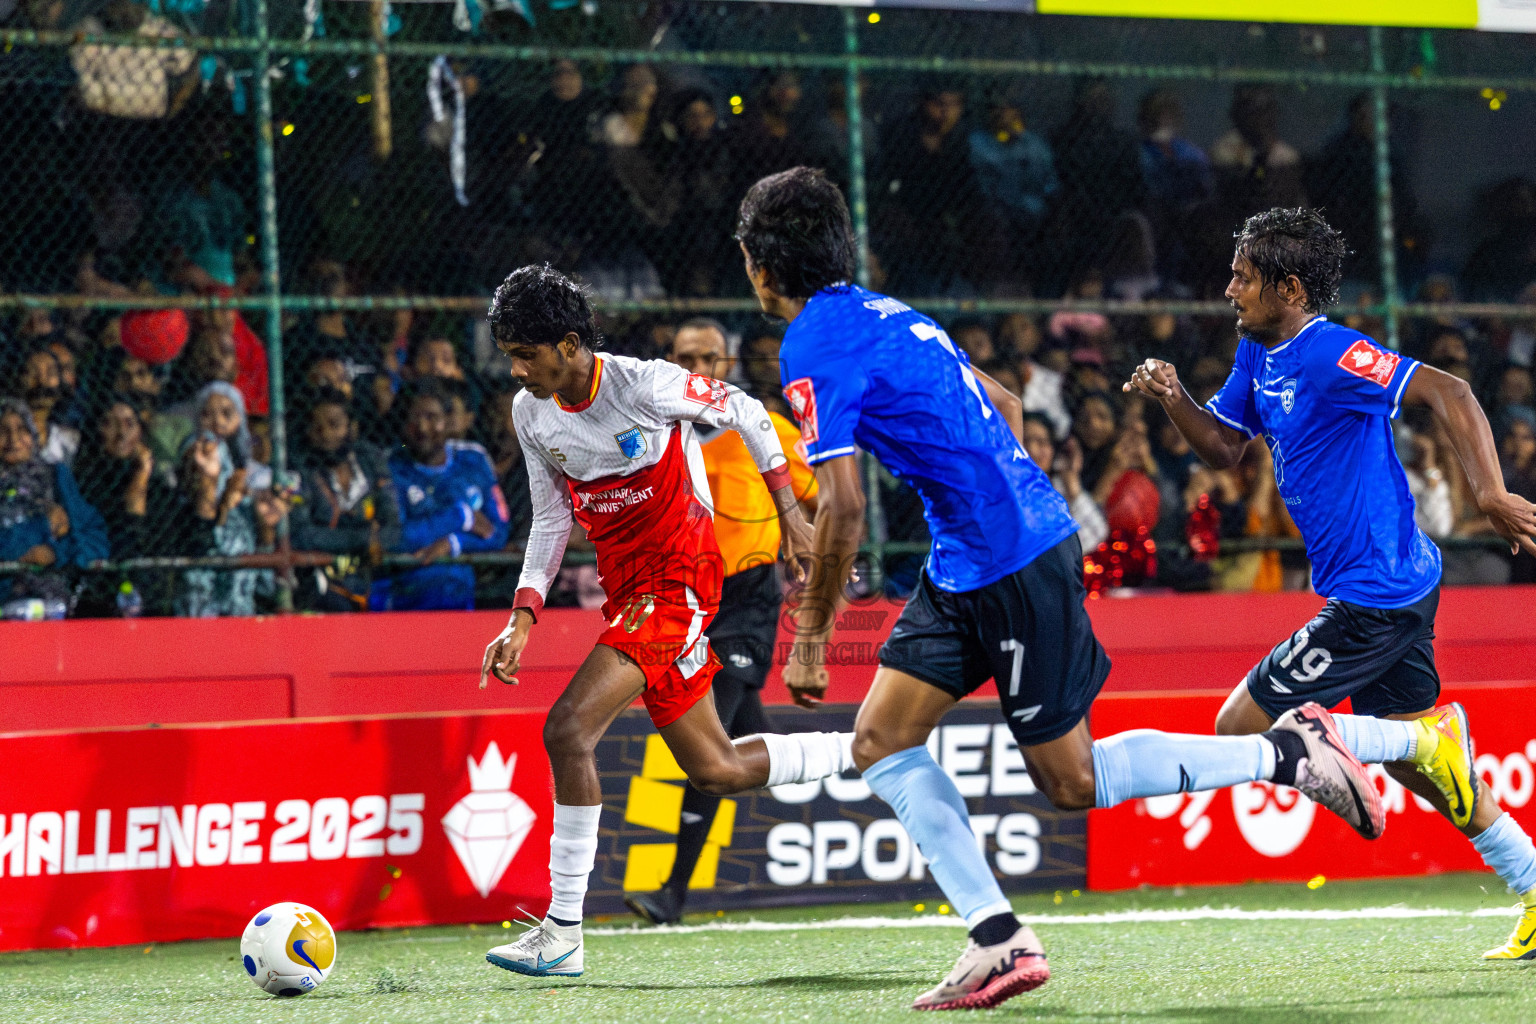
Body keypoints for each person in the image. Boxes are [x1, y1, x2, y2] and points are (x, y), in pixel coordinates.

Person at [737, 167, 1459, 1011]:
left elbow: (845, 506)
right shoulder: (884, 312)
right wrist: (985, 502)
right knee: (880, 739)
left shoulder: (811, 344)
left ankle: (1287, 755)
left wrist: (813, 635)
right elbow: (1006, 405)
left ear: (761, 266)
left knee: (1072, 782)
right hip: (974, 558)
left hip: (1010, 562)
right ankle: (998, 940)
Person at [1124, 206, 1536, 961]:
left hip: (1376, 595)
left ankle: (1427, 738)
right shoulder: (1257, 352)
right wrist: (1174, 395)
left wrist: (1489, 492)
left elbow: (1450, 392)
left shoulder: (1332, 353)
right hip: (1389, 587)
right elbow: (1224, 449)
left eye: (1244, 278)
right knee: (1419, 766)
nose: (1229, 290)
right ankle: (1532, 878)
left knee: (1239, 724)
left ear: (1287, 288)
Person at [476, 266, 856, 979]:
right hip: (629, 593)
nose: (517, 370)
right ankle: (868, 747)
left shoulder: (644, 385)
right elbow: (551, 518)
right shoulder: (532, 412)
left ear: (569, 343)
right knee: (716, 767)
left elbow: (746, 410)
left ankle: (562, 933)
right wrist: (523, 615)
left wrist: (791, 515)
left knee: (567, 730)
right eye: (509, 356)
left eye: (526, 354)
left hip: (679, 582)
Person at [626, 317, 820, 926]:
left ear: (726, 365)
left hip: (747, 596)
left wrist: (803, 543)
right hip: (686, 598)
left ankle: (672, 894)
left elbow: (821, 496)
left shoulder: (763, 427)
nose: (694, 370)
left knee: (712, 748)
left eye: (706, 358)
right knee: (753, 737)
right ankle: (856, 758)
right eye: (683, 358)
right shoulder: (655, 433)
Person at [376, 379, 508, 611]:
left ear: (448, 422)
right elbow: (395, 539)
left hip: (461, 598)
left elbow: (497, 532)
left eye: (432, 418)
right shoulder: (389, 468)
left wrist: (454, 543)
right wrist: (460, 517)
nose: (422, 428)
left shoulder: (474, 460)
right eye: (414, 418)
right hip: (404, 597)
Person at [289, 388, 402, 612]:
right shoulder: (299, 469)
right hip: (321, 586)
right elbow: (301, 534)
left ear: (352, 427)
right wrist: (361, 539)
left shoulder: (371, 462)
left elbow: (394, 524)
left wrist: (378, 539)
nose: (325, 434)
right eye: (317, 427)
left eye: (334, 425)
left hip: (372, 580)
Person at [0, 398, 109, 610]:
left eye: (22, 429)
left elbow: (94, 538)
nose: (13, 439)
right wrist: (41, 528)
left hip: (56, 601)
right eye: (3, 431)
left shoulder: (55, 476)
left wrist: (55, 554)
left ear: (33, 434)